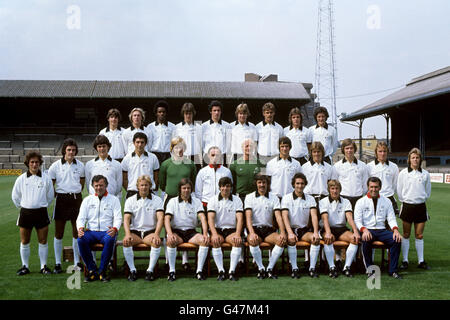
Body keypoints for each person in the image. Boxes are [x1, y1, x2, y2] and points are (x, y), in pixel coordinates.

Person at [12, 151, 54, 276]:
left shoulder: (46, 178)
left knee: (43, 240)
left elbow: (50, 196)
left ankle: (43, 266)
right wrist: (25, 206)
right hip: (25, 213)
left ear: (40, 163)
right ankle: (25, 266)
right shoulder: (21, 179)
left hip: (41, 212)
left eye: (36, 162)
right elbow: (15, 197)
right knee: (25, 241)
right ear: (28, 164)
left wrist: (40, 204)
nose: (34, 164)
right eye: (32, 162)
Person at [47, 138, 85, 274]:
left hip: (76, 199)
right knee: (59, 233)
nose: (71, 152)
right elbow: (50, 184)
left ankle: (77, 262)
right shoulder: (55, 166)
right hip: (61, 199)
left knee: (77, 232)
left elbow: (82, 183)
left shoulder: (80, 166)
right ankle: (58, 263)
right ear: (64, 150)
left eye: (74, 150)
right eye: (69, 150)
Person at [354, 177, 403, 279]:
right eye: (371, 187)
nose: (374, 189)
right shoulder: (361, 201)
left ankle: (393, 270)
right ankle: (370, 270)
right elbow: (357, 220)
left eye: (376, 187)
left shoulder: (386, 201)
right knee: (365, 239)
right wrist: (364, 230)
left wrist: (395, 230)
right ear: (368, 187)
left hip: (382, 230)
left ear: (380, 187)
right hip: (367, 229)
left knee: (397, 240)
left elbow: (391, 218)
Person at [76, 175, 122, 282]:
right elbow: (81, 217)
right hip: (91, 232)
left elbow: (118, 217)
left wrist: (115, 229)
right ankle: (92, 270)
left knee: (110, 239)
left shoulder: (113, 200)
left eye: (101, 185)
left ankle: (102, 271)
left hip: (107, 232)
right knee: (80, 240)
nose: (98, 188)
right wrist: (80, 228)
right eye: (96, 186)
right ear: (92, 186)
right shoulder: (87, 200)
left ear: (106, 185)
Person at [164, 178, 210, 281]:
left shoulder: (196, 201)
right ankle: (172, 271)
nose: (186, 190)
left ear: (191, 189)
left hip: (191, 233)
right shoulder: (172, 201)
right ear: (179, 189)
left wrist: (205, 233)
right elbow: (166, 219)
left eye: (188, 188)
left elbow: (202, 217)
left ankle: (199, 271)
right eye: (184, 188)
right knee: (171, 241)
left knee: (204, 241)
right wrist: (170, 234)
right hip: (177, 232)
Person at [122, 175, 165, 281]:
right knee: (126, 242)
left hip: (149, 232)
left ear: (150, 186)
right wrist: (127, 234)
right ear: (137, 186)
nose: (144, 187)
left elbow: (160, 218)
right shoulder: (130, 200)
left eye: (146, 185)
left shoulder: (157, 200)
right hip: (135, 232)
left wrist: (156, 234)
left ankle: (150, 271)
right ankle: (132, 270)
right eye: (141, 185)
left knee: (156, 242)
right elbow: (126, 219)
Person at [244, 174, 287, 279]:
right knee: (252, 240)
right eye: (259, 182)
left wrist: (282, 232)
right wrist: (252, 233)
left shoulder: (274, 197)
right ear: (256, 184)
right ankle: (261, 268)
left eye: (264, 183)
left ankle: (270, 268)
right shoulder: (249, 197)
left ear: (267, 184)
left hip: (268, 230)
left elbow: (278, 216)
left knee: (281, 240)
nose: (262, 185)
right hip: (254, 229)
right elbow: (248, 218)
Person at [281, 173, 321, 278]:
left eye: (302, 183)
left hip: (304, 230)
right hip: (291, 229)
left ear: (305, 184)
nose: (300, 186)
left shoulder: (310, 199)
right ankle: (294, 268)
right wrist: (289, 233)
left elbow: (314, 216)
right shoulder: (286, 198)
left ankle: (312, 268)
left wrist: (316, 232)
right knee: (291, 240)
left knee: (315, 239)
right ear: (293, 184)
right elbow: (284, 216)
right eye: (297, 183)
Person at [397, 147, 431, 271]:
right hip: (407, 206)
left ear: (420, 159)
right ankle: (405, 260)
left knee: (419, 235)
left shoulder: (425, 174)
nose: (415, 160)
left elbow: (427, 192)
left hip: (421, 207)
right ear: (409, 159)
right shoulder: (403, 173)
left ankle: (421, 261)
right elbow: (399, 191)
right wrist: (407, 200)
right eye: (413, 158)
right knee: (406, 234)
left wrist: (419, 200)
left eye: (417, 157)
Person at [319, 180, 360, 277]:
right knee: (328, 239)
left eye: (337, 188)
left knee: (355, 239)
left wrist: (355, 231)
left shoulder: (346, 201)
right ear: (329, 190)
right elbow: (325, 218)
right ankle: (332, 267)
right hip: (327, 228)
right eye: (332, 188)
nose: (335, 191)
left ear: (340, 190)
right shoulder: (322, 202)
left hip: (341, 229)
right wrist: (328, 232)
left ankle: (346, 267)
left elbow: (349, 218)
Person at [207, 177, 244, 281]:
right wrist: (213, 234)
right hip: (217, 230)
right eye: (223, 186)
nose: (225, 188)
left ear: (231, 187)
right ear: (219, 187)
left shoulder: (237, 200)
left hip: (231, 230)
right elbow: (210, 219)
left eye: (227, 186)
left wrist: (237, 234)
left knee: (237, 241)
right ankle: (221, 271)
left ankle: (231, 271)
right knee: (215, 241)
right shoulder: (212, 200)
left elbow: (240, 219)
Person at [159, 137, 197, 207]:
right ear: (172, 149)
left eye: (181, 147)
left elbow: (193, 181)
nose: (179, 150)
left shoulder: (191, 164)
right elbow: (162, 183)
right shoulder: (165, 164)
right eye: (176, 148)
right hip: (170, 197)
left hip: (186, 198)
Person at [334, 138, 369, 211]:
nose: (349, 150)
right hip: (343, 198)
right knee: (342, 222)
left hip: (358, 198)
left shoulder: (363, 165)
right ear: (343, 149)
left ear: (354, 149)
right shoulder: (337, 166)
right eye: (347, 148)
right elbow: (335, 184)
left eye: (351, 148)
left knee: (357, 222)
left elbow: (365, 184)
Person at [121, 132, 160, 199]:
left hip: (149, 192)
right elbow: (124, 178)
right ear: (133, 143)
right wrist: (130, 188)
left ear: (145, 143)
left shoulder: (153, 157)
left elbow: (156, 177)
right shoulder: (127, 158)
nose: (140, 145)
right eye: (137, 142)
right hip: (132, 192)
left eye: (142, 142)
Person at [195, 146, 233, 211]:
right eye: (212, 155)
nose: (215, 157)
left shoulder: (226, 171)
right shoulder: (202, 171)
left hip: (222, 204)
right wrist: (200, 204)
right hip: (206, 204)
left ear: (221, 156)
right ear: (208, 156)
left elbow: (231, 188)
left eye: (217, 155)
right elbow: (198, 190)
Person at [85, 135, 123, 199]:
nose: (102, 149)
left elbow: (118, 185)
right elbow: (88, 183)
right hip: (94, 199)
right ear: (96, 148)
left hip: (111, 198)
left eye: (104, 146)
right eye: (99, 147)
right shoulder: (89, 164)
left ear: (108, 147)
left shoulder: (117, 164)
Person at [367, 141, 400, 215]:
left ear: (387, 152)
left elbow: (395, 184)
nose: (382, 153)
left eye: (384, 151)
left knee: (390, 223)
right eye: (380, 151)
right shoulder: (369, 166)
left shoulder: (394, 166)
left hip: (389, 198)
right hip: (373, 198)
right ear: (376, 152)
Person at [229, 138, 265, 205]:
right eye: (246, 146)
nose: (249, 148)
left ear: (254, 148)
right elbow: (232, 183)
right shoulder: (234, 164)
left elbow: (265, 182)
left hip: (256, 196)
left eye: (251, 146)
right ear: (242, 148)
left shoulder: (261, 164)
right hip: (240, 197)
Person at [302, 141, 338, 206]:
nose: (316, 154)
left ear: (322, 152)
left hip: (324, 199)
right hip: (309, 199)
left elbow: (333, 185)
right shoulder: (304, 167)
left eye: (318, 151)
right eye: (314, 152)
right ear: (311, 153)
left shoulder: (329, 167)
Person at [173, 102, 203, 172]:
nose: (188, 116)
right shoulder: (177, 127)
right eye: (186, 113)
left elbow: (201, 143)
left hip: (196, 157)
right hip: (182, 156)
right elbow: (174, 144)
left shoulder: (199, 127)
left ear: (193, 114)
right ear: (183, 114)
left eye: (190, 113)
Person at [146, 100, 176, 165]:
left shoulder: (172, 126)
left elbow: (174, 143)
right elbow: (149, 143)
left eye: (163, 112)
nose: (161, 113)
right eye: (159, 112)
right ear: (156, 113)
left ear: (166, 113)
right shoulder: (150, 126)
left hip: (168, 155)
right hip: (155, 155)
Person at [202, 100, 230, 166]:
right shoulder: (203, 126)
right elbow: (202, 144)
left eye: (218, 110)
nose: (216, 112)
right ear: (210, 111)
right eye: (214, 110)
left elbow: (228, 144)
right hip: (207, 158)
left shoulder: (227, 126)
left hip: (222, 157)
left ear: (221, 112)